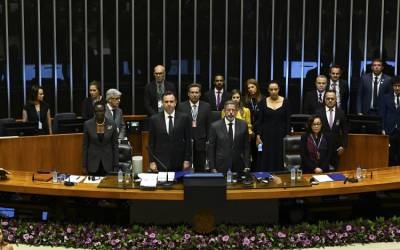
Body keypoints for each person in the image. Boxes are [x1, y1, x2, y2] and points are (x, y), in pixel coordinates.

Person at [148, 91, 191, 172]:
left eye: (171, 101)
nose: (169, 104)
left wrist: (187, 160)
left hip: (179, 161)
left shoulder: (184, 118)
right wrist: (151, 161)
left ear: (175, 103)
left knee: (179, 184)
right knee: (161, 184)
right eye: (166, 101)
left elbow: (188, 141)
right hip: (160, 161)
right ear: (162, 103)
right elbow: (151, 143)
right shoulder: (154, 119)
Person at [255, 81, 290, 172]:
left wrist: (287, 136)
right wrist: (258, 136)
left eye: (275, 89)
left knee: (279, 157)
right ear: (268, 90)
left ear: (279, 90)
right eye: (271, 89)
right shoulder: (263, 102)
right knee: (266, 158)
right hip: (266, 136)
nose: (273, 91)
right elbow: (259, 121)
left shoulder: (285, 101)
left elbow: (288, 121)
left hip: (281, 136)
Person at [208, 100, 250, 173]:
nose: (231, 112)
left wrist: (247, 165)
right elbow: (211, 148)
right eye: (228, 110)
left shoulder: (243, 124)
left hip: (239, 165)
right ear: (224, 111)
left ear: (236, 111)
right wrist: (212, 167)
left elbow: (246, 147)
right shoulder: (215, 126)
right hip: (220, 165)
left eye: (233, 110)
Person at [177, 83, 211, 171]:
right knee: (186, 167)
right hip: (186, 142)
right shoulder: (181, 106)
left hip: (201, 141)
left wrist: (208, 140)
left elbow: (208, 125)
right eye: (192, 92)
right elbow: (179, 125)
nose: (194, 94)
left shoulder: (206, 106)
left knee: (200, 167)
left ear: (200, 94)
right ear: (188, 94)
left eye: (196, 92)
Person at [82, 102, 119, 176]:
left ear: (104, 111)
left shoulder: (112, 124)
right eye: (97, 111)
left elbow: (115, 146)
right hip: (93, 162)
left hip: (108, 162)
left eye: (101, 111)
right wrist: (84, 165)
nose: (99, 113)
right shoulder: (87, 124)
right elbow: (85, 146)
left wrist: (116, 164)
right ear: (94, 112)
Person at [316, 90, 348, 170]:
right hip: (322, 148)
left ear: (336, 99)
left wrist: (343, 146)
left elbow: (345, 131)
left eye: (332, 99)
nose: (330, 100)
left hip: (336, 149)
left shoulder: (341, 113)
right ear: (324, 99)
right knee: (322, 171)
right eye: (328, 98)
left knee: (334, 172)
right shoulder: (319, 112)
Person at [244, 79, 264, 170]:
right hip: (248, 130)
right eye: (249, 88)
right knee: (249, 152)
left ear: (257, 87)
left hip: (260, 130)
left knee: (259, 153)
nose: (250, 89)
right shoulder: (245, 100)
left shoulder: (263, 99)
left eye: (252, 87)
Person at [380, 76, 400, 166]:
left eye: (399, 86)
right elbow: (382, 114)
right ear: (392, 86)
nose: (397, 88)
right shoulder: (386, 97)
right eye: (395, 86)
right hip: (389, 130)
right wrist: (383, 128)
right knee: (390, 156)